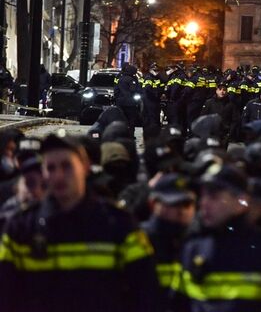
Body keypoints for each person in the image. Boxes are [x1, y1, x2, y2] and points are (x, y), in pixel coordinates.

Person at [0, 133, 159, 312]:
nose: (58, 175)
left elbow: (145, 293)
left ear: (85, 167)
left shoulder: (118, 224)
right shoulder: (21, 227)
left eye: (66, 166)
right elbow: (6, 294)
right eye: (50, 168)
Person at [173, 163, 261, 311]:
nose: (204, 203)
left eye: (214, 197)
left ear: (241, 201)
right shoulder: (193, 248)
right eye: (203, 195)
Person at [142, 173, 197, 312]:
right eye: (173, 204)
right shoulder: (141, 240)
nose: (182, 211)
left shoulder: (196, 241)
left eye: (187, 204)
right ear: (153, 204)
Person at [114, 63, 141, 136]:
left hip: (120, 102)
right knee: (131, 120)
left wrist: (117, 99)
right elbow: (134, 90)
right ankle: (130, 134)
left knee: (121, 119)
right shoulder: (132, 80)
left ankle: (121, 134)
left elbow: (116, 90)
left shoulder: (120, 78)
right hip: (130, 103)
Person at [141, 63, 164, 133]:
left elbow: (161, 87)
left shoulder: (158, 78)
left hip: (155, 101)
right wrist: (156, 95)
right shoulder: (148, 78)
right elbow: (148, 90)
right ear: (150, 70)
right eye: (154, 70)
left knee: (155, 117)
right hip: (149, 101)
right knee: (150, 118)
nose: (156, 72)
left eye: (157, 70)